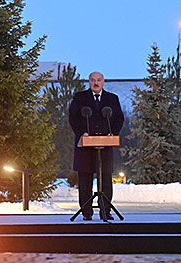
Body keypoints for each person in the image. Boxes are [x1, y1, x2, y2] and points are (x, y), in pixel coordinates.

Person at [68, 71, 124, 220]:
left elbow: (119, 118)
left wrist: (113, 133)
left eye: (98, 80)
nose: (96, 83)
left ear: (103, 82)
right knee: (85, 178)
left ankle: (105, 210)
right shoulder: (80, 98)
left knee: (105, 177)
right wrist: (82, 133)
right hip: (85, 146)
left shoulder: (112, 99)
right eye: (93, 80)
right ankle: (86, 212)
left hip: (105, 146)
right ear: (89, 82)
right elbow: (73, 118)